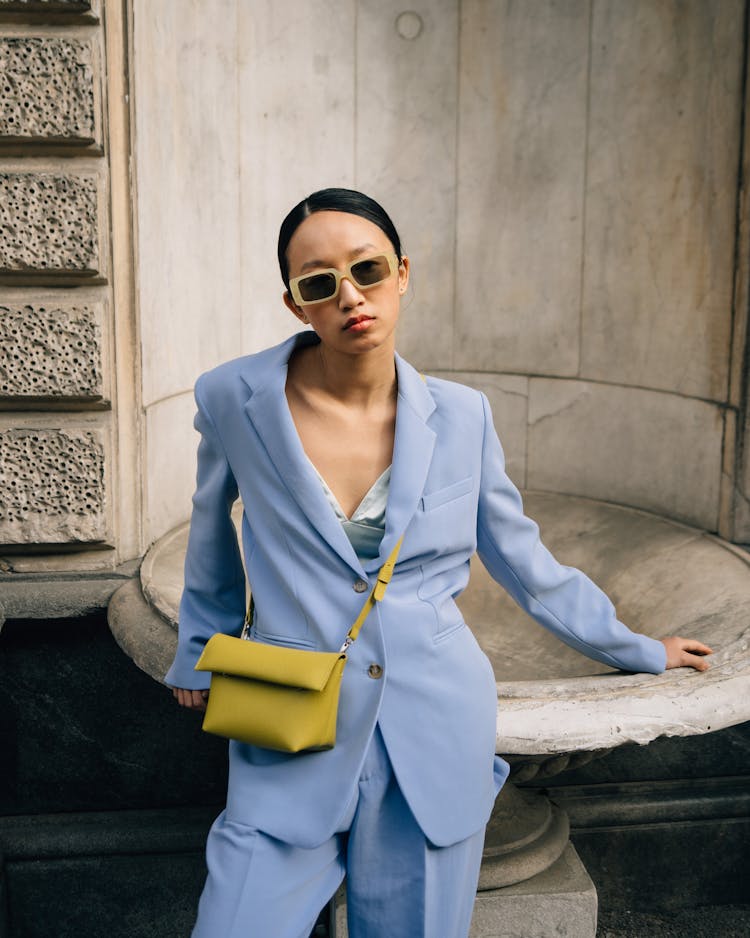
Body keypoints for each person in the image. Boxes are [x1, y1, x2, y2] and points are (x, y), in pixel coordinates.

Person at [166, 187, 712, 938]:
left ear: (403, 273)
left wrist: (638, 648)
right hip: (290, 716)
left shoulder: (462, 415)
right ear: (297, 304)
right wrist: (199, 648)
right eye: (320, 283)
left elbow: (522, 560)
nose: (350, 296)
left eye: (369, 269)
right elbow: (210, 527)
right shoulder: (234, 396)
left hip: (432, 729)